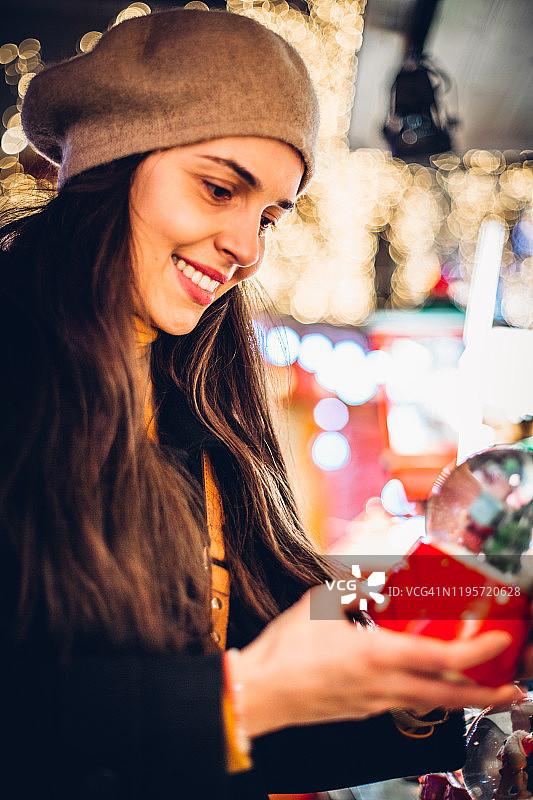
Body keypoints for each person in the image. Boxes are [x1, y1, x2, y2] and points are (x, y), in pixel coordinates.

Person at [1, 8, 530, 799]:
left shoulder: (195, 412)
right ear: (108, 167)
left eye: (269, 217)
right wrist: (240, 699)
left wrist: (422, 681)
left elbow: (252, 694)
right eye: (218, 188)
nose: (246, 249)